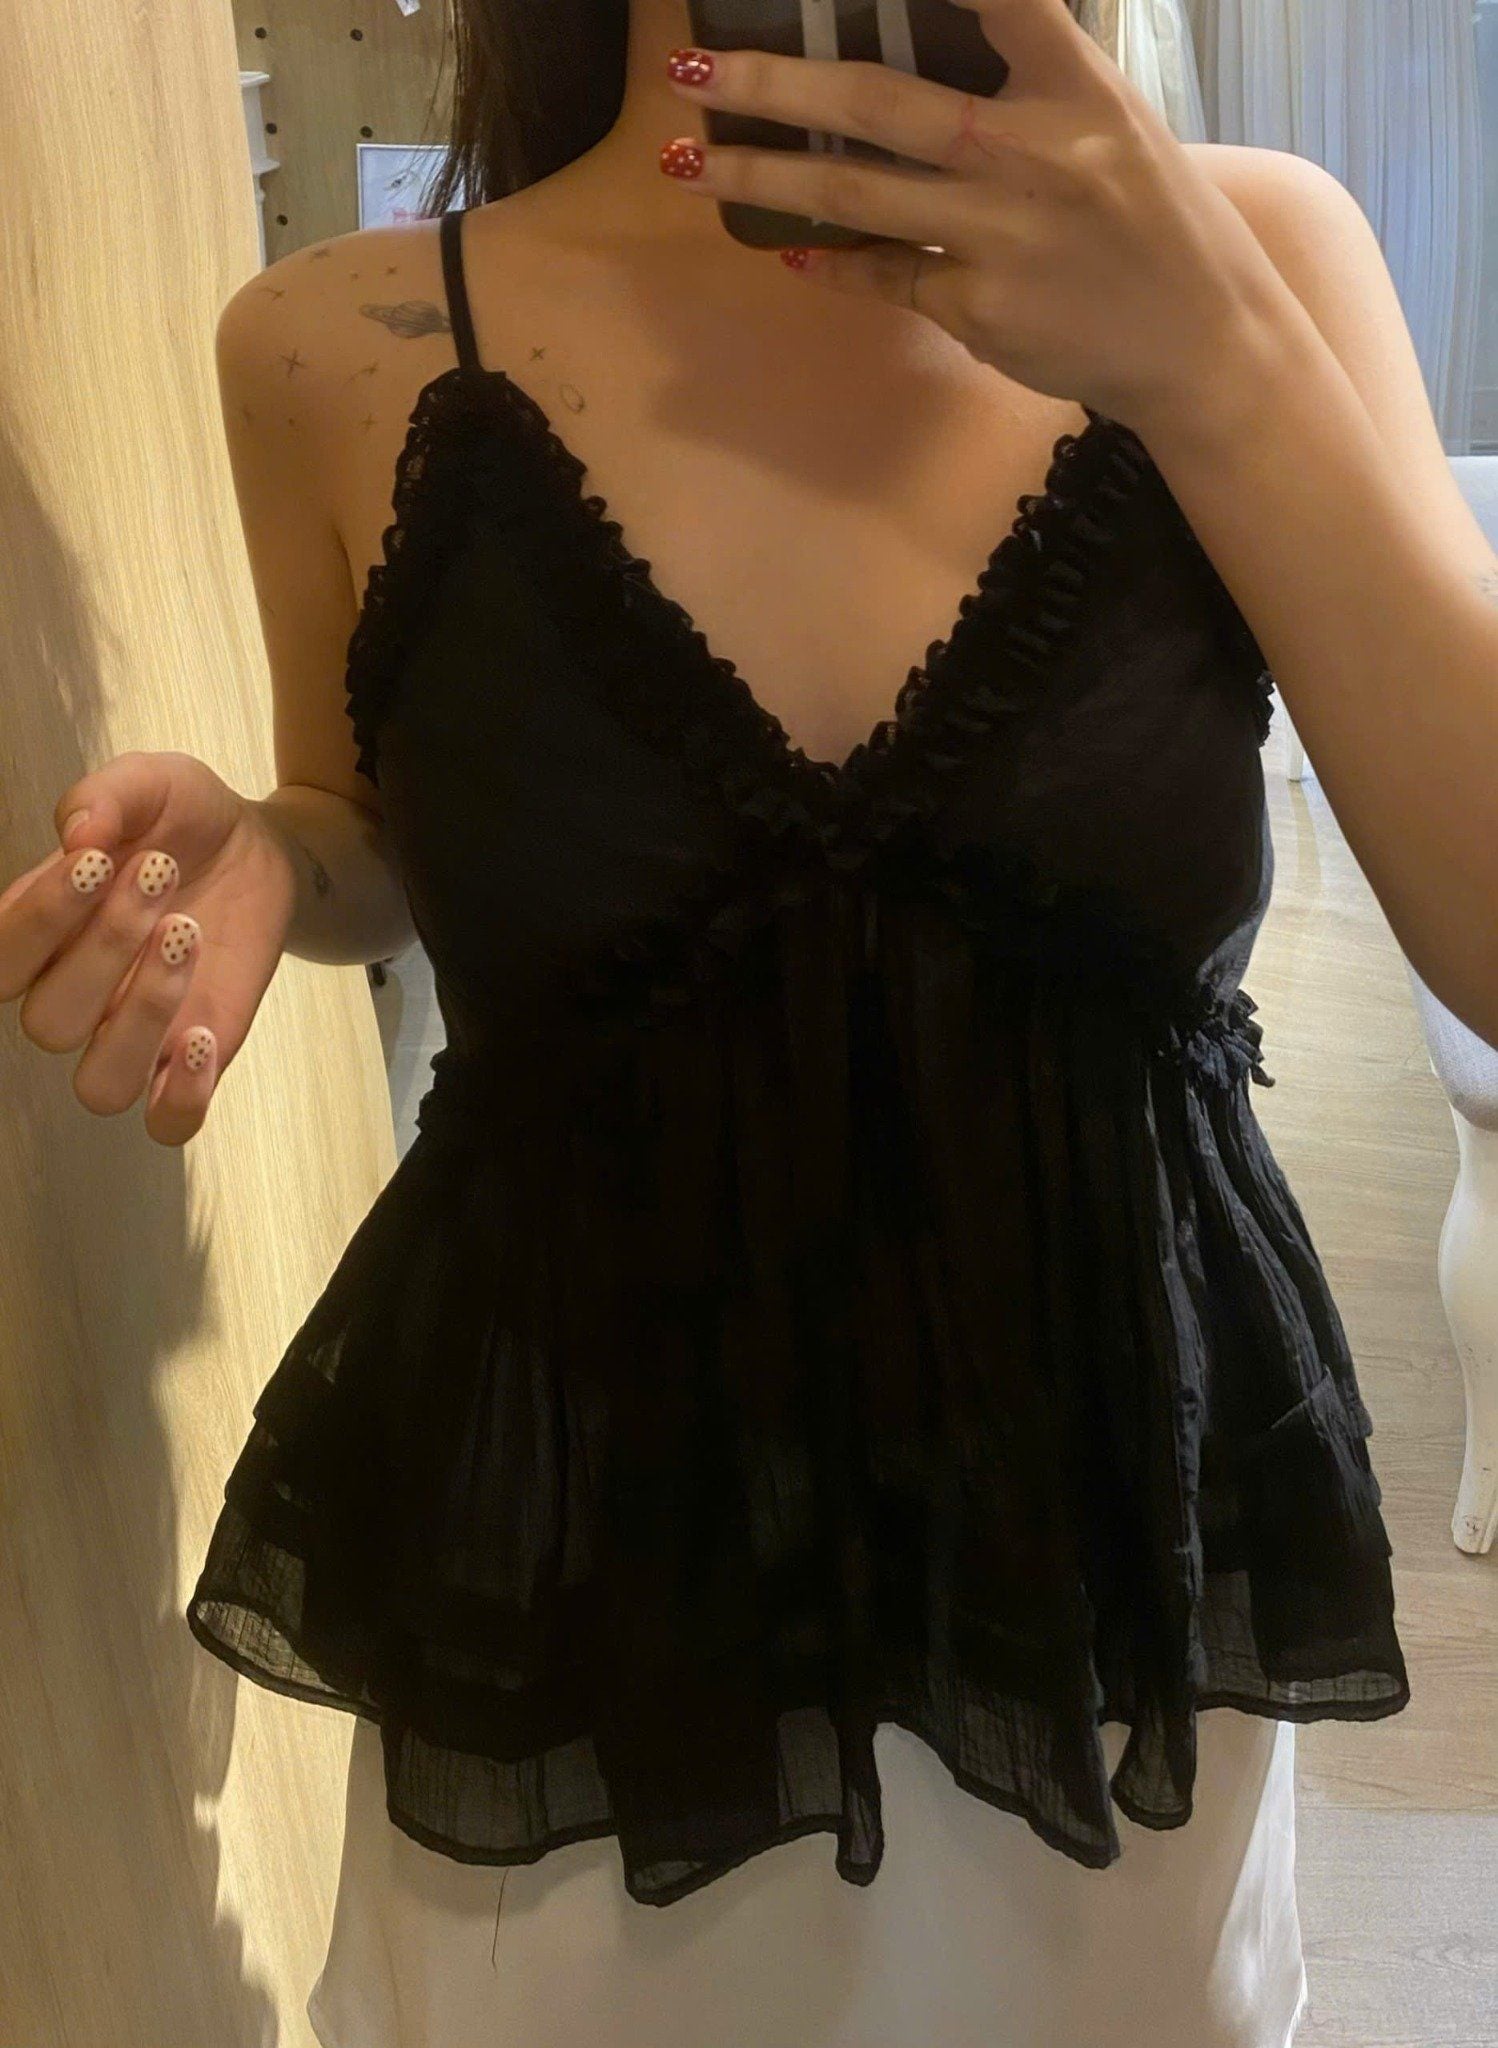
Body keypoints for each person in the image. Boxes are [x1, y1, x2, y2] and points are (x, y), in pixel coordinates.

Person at [4, 0, 1494, 2041]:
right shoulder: (338, 345)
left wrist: (1213, 358)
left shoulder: (1255, 259)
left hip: (1088, 1584)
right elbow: (378, 820)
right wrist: (280, 850)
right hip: (583, 1595)